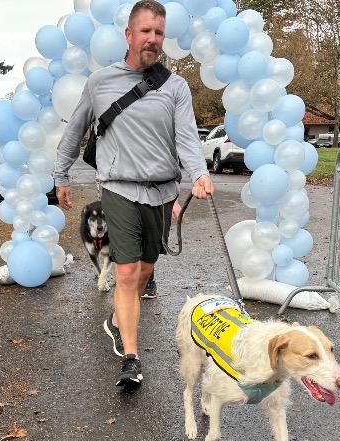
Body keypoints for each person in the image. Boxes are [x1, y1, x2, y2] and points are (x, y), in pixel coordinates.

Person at [54, 0, 213, 391]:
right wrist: (60, 176)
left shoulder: (175, 87)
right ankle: (131, 359)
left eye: (159, 33)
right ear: (129, 34)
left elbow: (187, 138)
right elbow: (75, 132)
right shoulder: (100, 82)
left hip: (161, 192)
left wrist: (199, 173)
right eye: (146, 31)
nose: (153, 39)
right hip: (118, 188)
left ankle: (117, 319)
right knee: (124, 272)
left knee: (144, 270)